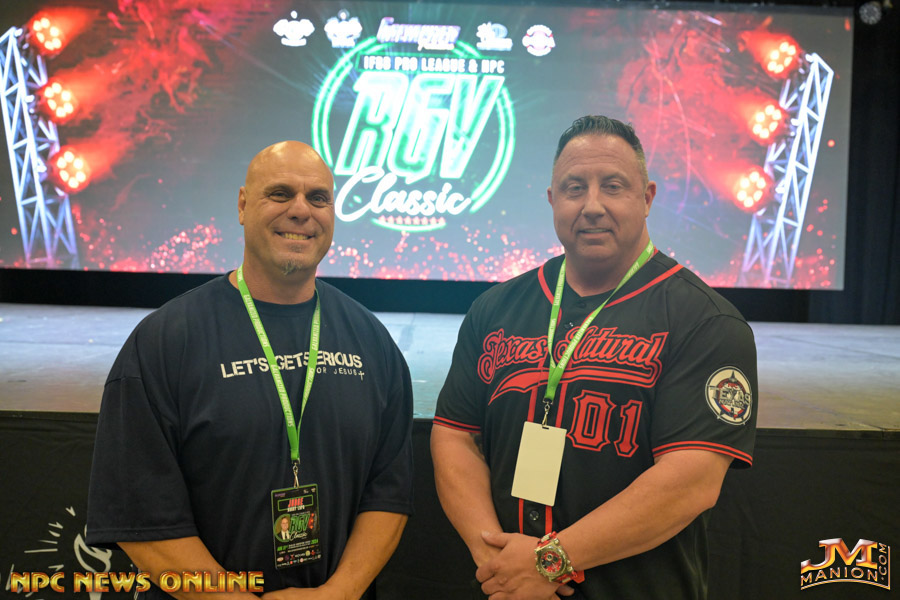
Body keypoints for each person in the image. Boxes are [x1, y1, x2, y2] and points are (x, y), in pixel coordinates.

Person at [431, 116, 757, 599]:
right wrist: (498, 563)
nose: (592, 206)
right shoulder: (495, 308)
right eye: (574, 188)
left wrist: (547, 562)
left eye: (613, 186)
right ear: (552, 200)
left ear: (647, 198)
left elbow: (690, 481)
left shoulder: (705, 320)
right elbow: (454, 435)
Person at [87, 141, 414, 600]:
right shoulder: (165, 341)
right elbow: (143, 522)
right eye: (280, 193)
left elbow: (388, 497)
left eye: (318, 198)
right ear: (242, 205)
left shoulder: (372, 343)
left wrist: (338, 594)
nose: (301, 210)